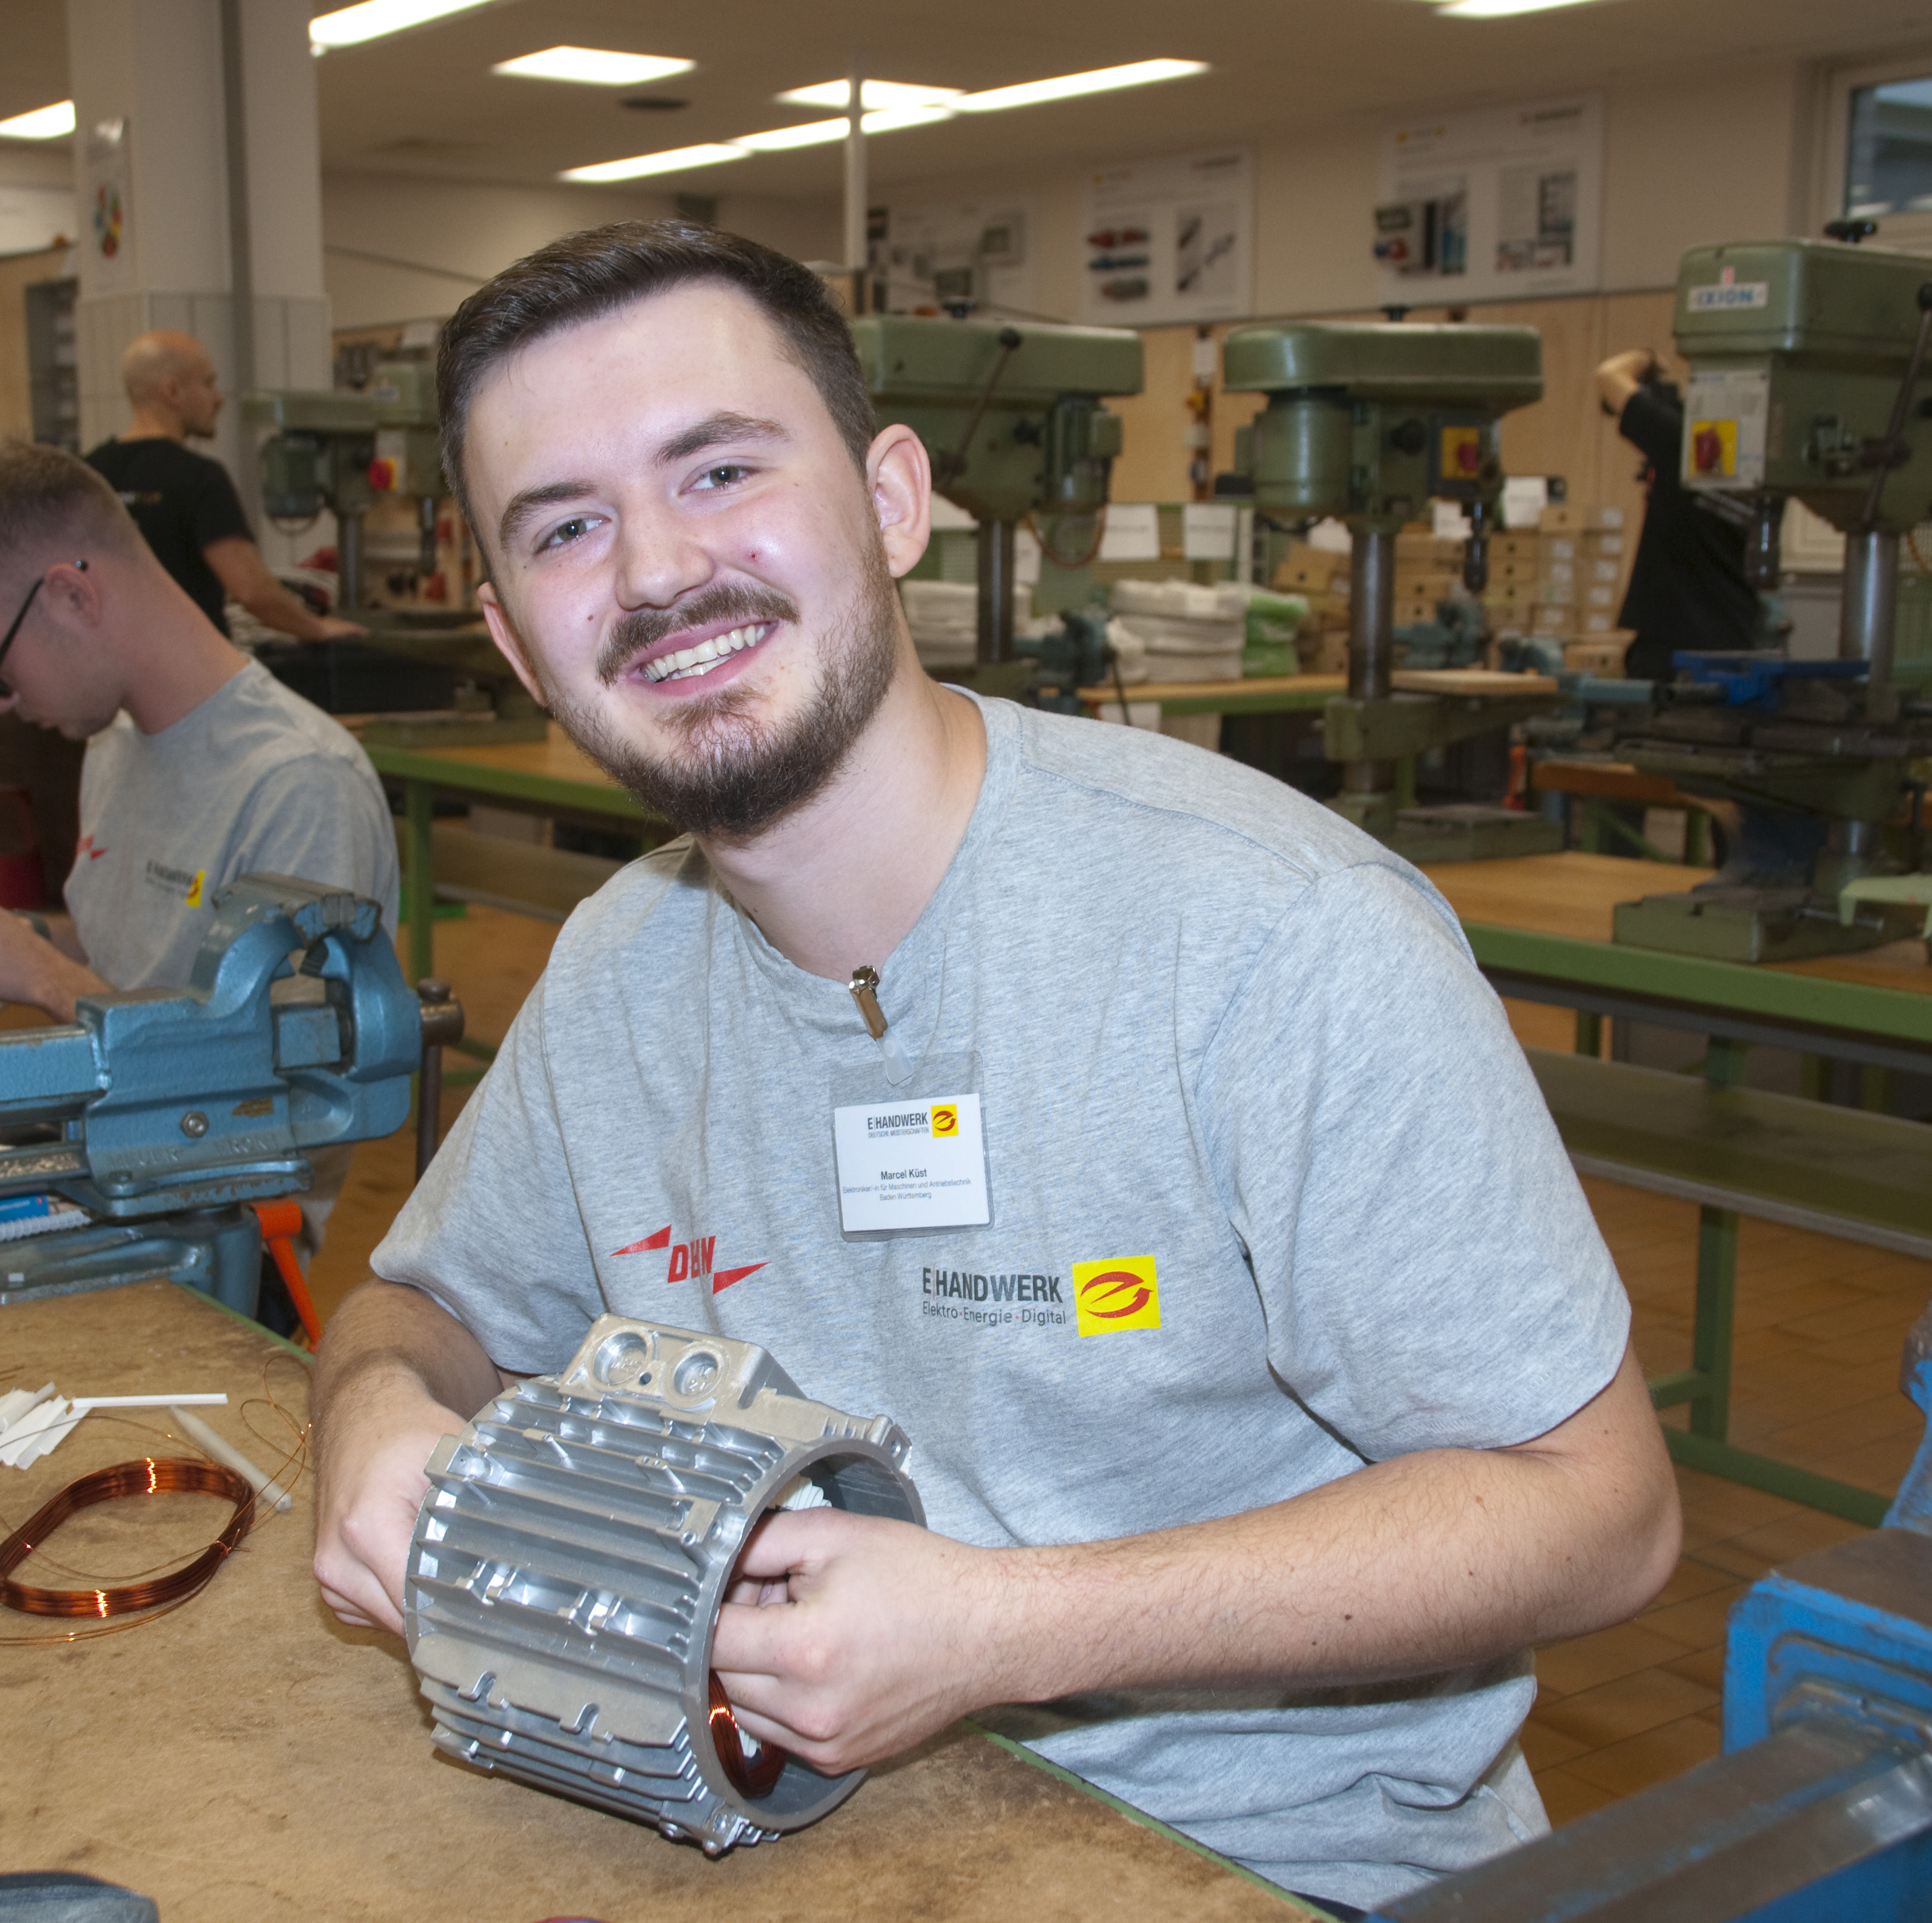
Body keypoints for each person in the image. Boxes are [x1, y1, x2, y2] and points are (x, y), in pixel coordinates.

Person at [310, 222, 1677, 1916]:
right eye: (567, 527)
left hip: (1271, 1863)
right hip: (797, 1820)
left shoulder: (1268, 934)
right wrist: (372, 1410)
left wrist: (998, 1625)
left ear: (891, 501)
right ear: (517, 639)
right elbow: (417, 1308)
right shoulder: (616, 970)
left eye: (718, 467)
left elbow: (1600, 1513)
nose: (657, 571)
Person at [0, 441, 398, 1272]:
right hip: (95, 1163)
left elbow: (270, 1093)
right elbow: (144, 944)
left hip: (215, 1231)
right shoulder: (113, 742)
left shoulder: (299, 783)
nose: (3, 707)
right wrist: (11, 937)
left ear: (71, 596)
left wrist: (47, 977)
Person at [84, 330, 365, 646]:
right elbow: (252, 591)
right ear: (172, 391)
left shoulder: (87, 472)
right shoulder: (198, 477)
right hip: (191, 672)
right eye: (207, 384)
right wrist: (317, 628)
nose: (218, 398)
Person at [1595, 348, 1763, 683]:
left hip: (1673, 649)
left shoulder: (1687, 444)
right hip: (1737, 641)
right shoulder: (1764, 463)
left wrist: (1649, 358)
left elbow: (1608, 376)